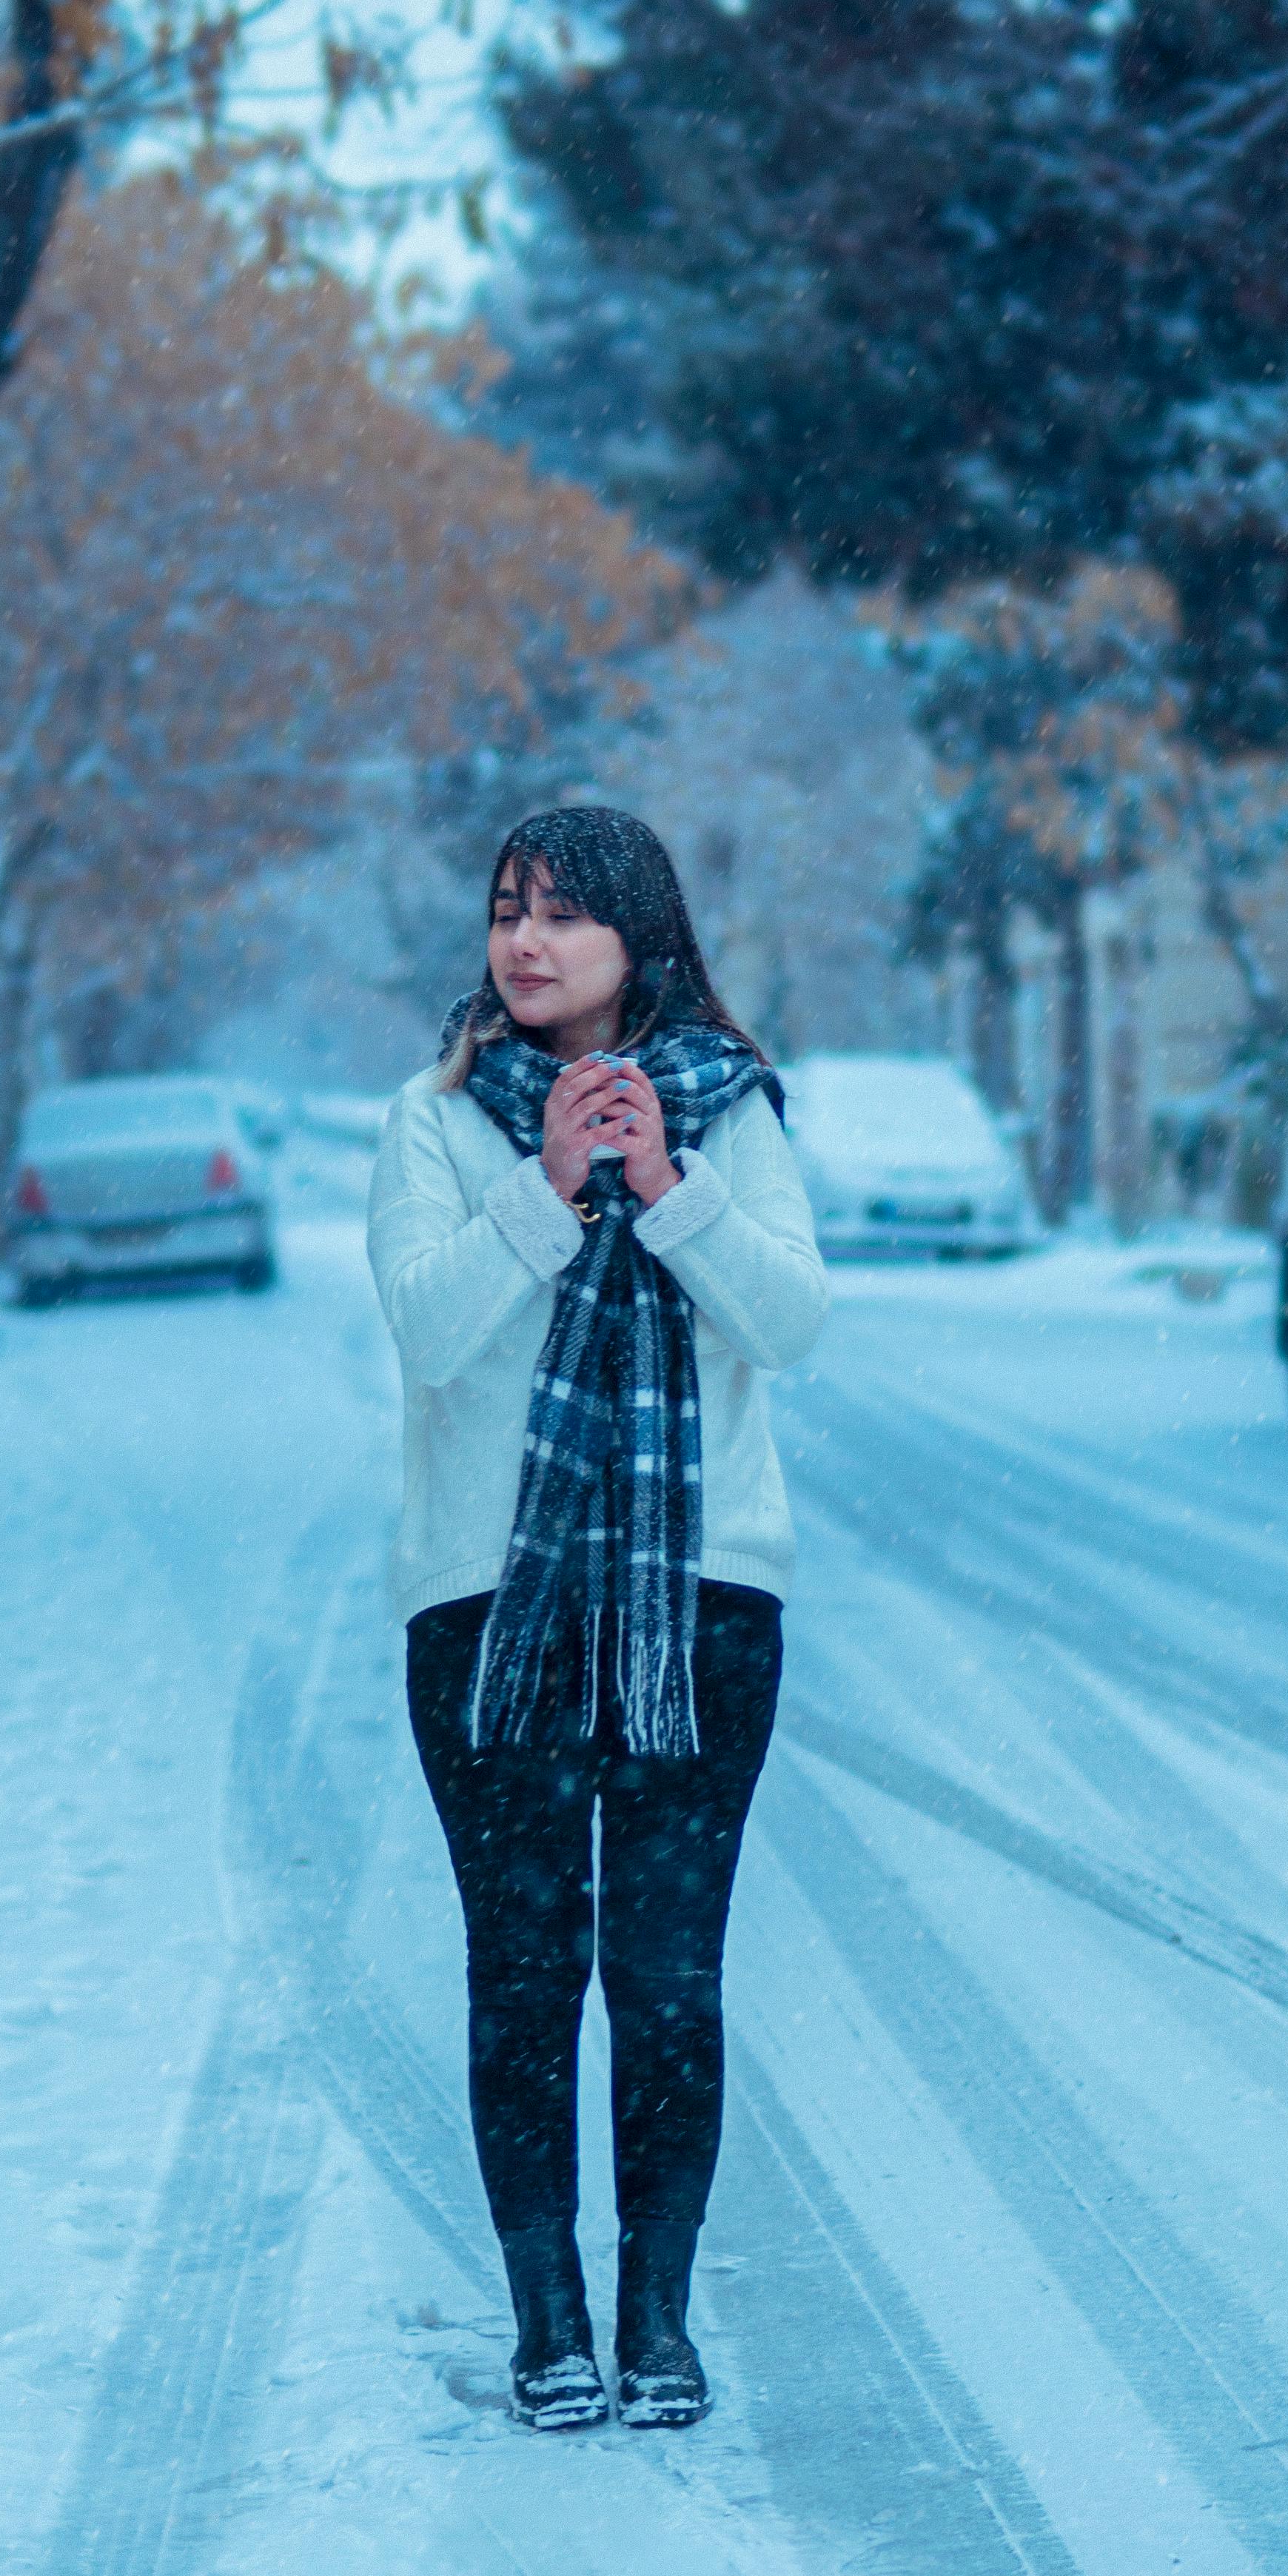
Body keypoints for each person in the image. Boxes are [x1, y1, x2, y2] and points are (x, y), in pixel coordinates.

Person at [367, 807, 830, 2431]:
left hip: (696, 1602)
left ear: (642, 933)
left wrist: (669, 1189)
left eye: (564, 911)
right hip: (489, 1610)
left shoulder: (728, 1106)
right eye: (506, 908)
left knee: (667, 1975)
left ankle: (659, 2318)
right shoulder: (434, 1121)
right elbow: (427, 1339)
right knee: (524, 1969)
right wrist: (546, 1195)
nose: (527, 940)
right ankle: (547, 2321)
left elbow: (792, 1320)